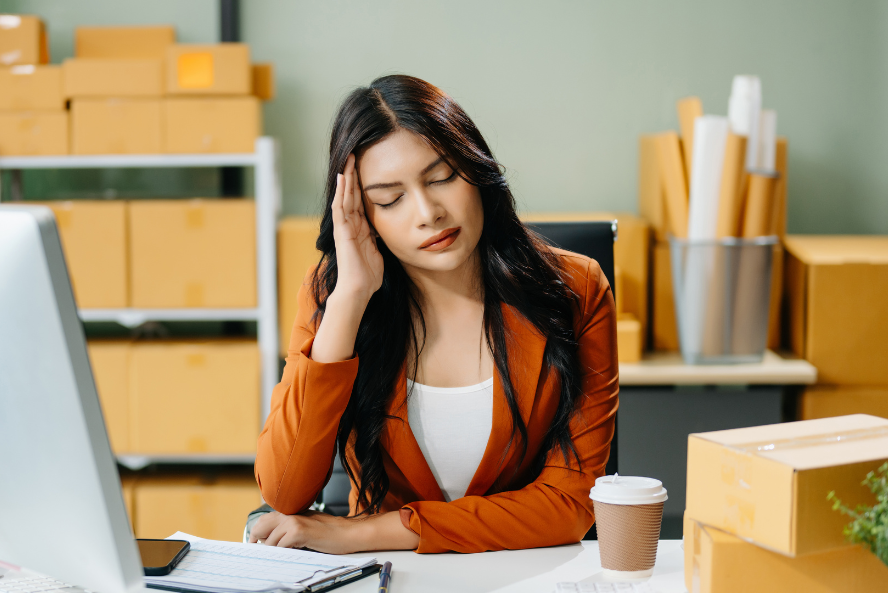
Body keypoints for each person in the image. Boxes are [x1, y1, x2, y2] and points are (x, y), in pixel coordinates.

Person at [251, 75, 617, 554]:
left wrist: (373, 531)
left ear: (476, 168)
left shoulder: (576, 289)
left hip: (521, 581)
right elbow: (284, 491)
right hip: (390, 588)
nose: (427, 212)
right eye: (390, 199)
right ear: (362, 214)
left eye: (441, 176)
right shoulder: (332, 295)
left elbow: (569, 504)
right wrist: (350, 299)